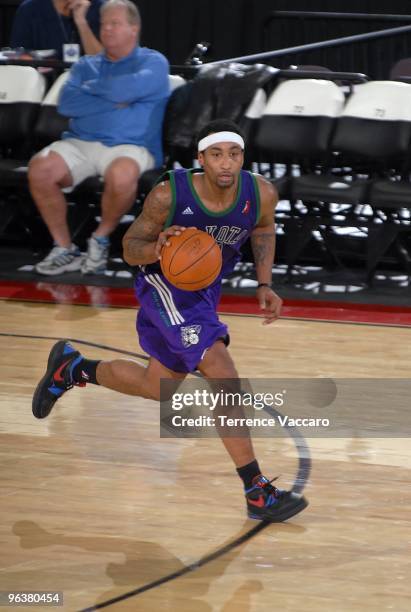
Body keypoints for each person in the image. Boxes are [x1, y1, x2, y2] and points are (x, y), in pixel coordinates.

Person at [32, 119, 308, 522]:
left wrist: (264, 282)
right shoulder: (169, 193)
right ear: (201, 159)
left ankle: (73, 369)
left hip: (204, 293)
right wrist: (157, 248)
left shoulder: (260, 193)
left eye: (234, 154)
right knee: (224, 376)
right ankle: (256, 491)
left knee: (157, 387)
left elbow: (263, 229)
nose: (226, 163)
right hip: (164, 287)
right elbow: (130, 248)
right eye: (216, 155)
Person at [28, 0, 170, 275]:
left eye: (114, 24)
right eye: (103, 24)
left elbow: (122, 91)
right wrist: (115, 98)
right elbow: (67, 104)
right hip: (81, 141)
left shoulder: (153, 62)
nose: (107, 30)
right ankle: (64, 247)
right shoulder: (85, 65)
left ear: (133, 28)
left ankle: (100, 238)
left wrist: (94, 91)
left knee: (122, 174)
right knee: (40, 168)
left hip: (131, 145)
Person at [10, 0, 105, 59]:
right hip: (43, 85)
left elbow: (104, 64)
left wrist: (82, 23)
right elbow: (19, 58)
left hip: (90, 86)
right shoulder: (29, 9)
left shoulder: (102, 9)